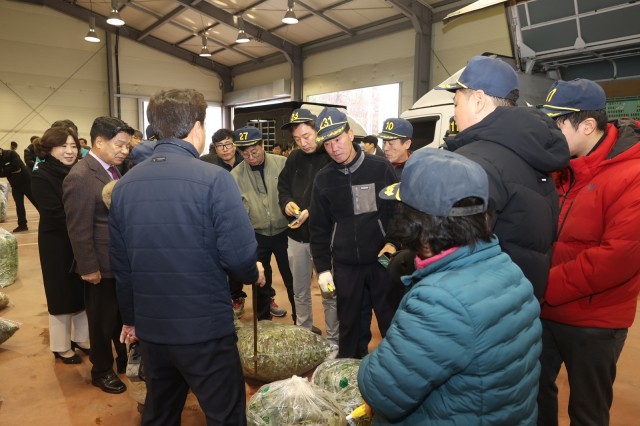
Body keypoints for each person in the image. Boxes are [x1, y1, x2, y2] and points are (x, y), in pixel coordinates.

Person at [109, 89, 264, 425]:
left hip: (153, 329)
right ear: (197, 127)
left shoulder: (125, 186)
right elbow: (238, 257)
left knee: (161, 411)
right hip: (204, 329)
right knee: (225, 412)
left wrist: (132, 320)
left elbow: (122, 267)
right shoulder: (215, 179)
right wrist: (254, 272)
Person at [357, 148, 542, 424]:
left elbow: (382, 391)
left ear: (417, 223)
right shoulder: (506, 267)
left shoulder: (439, 301)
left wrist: (369, 364)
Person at [537, 79, 640, 426]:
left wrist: (541, 285)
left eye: (556, 124)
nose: (548, 132)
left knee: (588, 412)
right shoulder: (561, 168)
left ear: (587, 126)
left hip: (596, 321)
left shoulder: (633, 174)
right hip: (547, 310)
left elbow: (616, 259)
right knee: (536, 395)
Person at [435, 55, 570, 300]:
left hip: (479, 303)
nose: (454, 114)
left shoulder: (475, 161)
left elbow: (451, 253)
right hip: (519, 300)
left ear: (477, 100)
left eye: (455, 104)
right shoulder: (530, 150)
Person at [309, 107, 401, 359]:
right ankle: (351, 377)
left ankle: (397, 372)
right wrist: (323, 268)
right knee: (349, 327)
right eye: (327, 143)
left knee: (390, 321)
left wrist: (393, 243)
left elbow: (397, 212)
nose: (334, 148)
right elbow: (318, 227)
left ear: (350, 134)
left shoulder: (380, 168)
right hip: (346, 267)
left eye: (337, 139)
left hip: (382, 262)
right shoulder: (323, 179)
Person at [62, 116, 134, 394]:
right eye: (119, 145)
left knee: (119, 316)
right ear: (99, 141)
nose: (125, 151)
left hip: (118, 261)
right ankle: (101, 369)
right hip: (99, 266)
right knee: (102, 322)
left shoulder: (114, 170)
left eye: (127, 146)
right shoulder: (80, 176)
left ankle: (122, 359)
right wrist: (88, 267)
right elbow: (78, 228)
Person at [31, 126, 90, 364]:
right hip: (57, 242)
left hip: (80, 240)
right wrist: (85, 224)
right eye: (63, 146)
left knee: (82, 289)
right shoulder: (40, 175)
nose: (69, 151)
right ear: (49, 149)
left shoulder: (79, 171)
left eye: (73, 146)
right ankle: (60, 345)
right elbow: (53, 213)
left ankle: (82, 338)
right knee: (60, 293)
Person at [278, 108, 337, 341]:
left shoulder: (331, 156)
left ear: (318, 131)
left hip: (326, 239)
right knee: (299, 291)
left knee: (329, 292)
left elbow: (337, 198)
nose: (303, 143)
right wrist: (287, 203)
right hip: (297, 237)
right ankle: (304, 337)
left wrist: (313, 212)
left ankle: (334, 340)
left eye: (307, 136)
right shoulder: (293, 158)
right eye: (297, 139)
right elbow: (282, 187)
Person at [230, 126, 294, 321]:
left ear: (262, 145)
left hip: (285, 231)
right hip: (257, 235)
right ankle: (263, 321)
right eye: (245, 153)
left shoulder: (282, 163)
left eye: (254, 151)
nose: (250, 157)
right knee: (259, 280)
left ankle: (301, 319)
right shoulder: (235, 175)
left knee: (292, 278)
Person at [200, 128, 247, 316]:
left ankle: (251, 296)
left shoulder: (246, 162)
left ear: (234, 145)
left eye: (228, 144)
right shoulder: (209, 166)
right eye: (220, 146)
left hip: (247, 218)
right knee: (224, 260)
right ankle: (229, 297)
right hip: (220, 220)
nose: (225, 149)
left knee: (248, 260)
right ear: (215, 149)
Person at [0, 145, 37, 232]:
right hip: (15, 185)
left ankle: (49, 220)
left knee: (36, 202)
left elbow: (17, 167)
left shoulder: (11, 153)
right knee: (19, 205)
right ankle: (22, 225)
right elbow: (3, 173)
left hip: (26, 182)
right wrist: (10, 171)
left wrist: (4, 170)